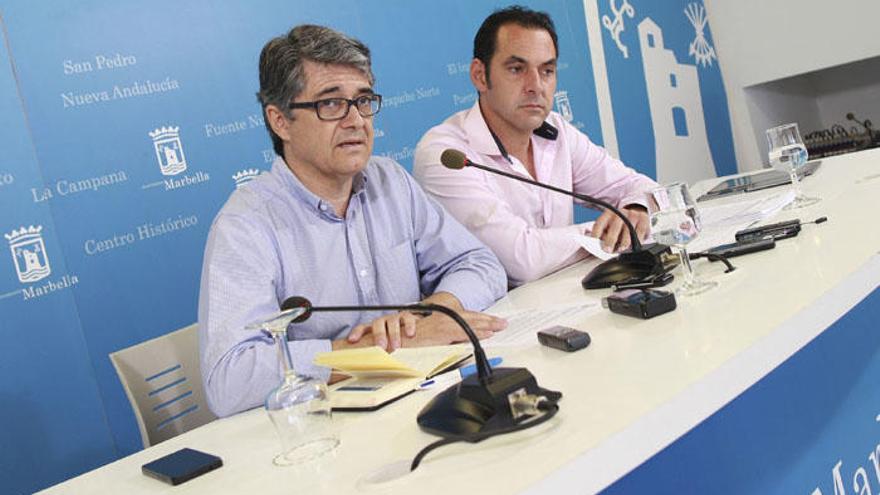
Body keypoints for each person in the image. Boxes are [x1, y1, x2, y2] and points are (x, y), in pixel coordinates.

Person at [199, 25, 507, 417]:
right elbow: (230, 379)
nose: (356, 121)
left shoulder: (389, 181)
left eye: (363, 101)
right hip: (326, 431)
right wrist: (374, 350)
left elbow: (479, 263)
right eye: (331, 105)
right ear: (280, 121)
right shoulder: (246, 225)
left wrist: (431, 315)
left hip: (422, 398)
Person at [413, 6, 658, 287]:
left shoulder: (556, 129)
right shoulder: (444, 153)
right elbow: (521, 260)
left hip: (566, 298)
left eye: (547, 71)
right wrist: (616, 230)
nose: (536, 86)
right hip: (499, 320)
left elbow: (641, 188)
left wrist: (636, 209)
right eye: (517, 69)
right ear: (480, 76)